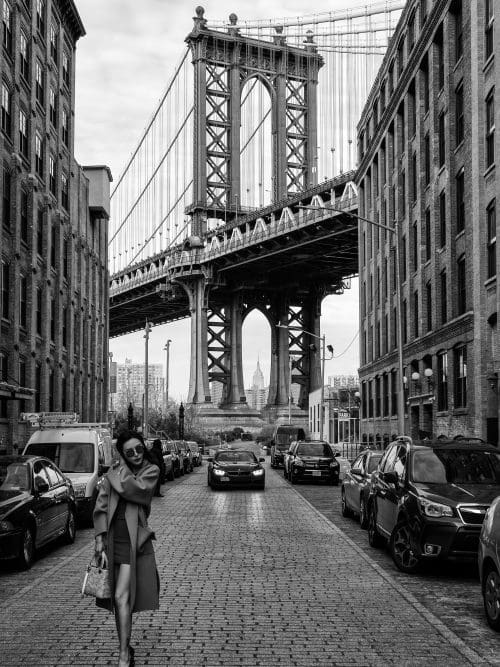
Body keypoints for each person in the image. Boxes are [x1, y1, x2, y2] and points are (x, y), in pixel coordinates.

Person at [93, 431, 160, 667]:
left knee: (122, 597)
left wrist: (115, 471)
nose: (136, 455)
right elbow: (101, 504)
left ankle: (123, 655)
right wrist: (99, 539)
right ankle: (126, 648)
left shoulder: (151, 471)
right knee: (117, 600)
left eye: (139, 449)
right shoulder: (114, 473)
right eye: (129, 452)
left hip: (134, 542)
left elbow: (133, 490)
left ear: (144, 448)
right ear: (123, 454)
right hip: (113, 540)